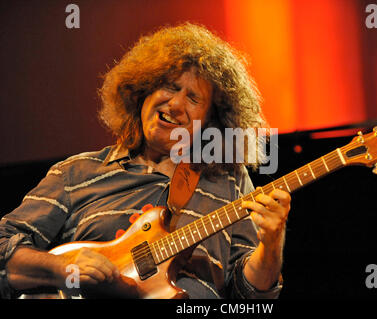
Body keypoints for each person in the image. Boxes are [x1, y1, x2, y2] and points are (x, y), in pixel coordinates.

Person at [0, 23, 291, 299]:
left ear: (210, 121)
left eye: (193, 98)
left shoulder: (230, 181)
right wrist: (64, 267)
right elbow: (4, 247)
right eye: (169, 86)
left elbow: (250, 296)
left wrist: (272, 244)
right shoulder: (76, 172)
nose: (175, 104)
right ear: (143, 91)